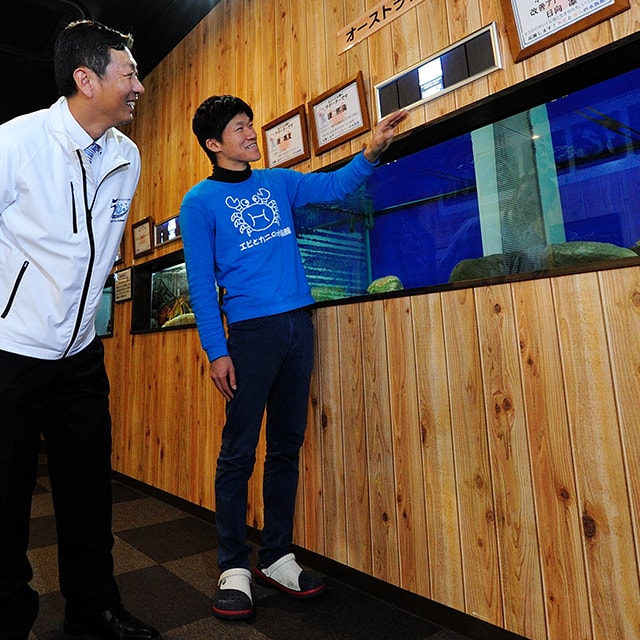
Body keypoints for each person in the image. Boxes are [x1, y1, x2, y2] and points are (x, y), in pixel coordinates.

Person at [180, 94, 407, 620]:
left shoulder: (278, 182)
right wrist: (217, 351)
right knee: (238, 451)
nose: (250, 133)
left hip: (297, 326)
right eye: (240, 128)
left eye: (250, 124)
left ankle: (276, 554)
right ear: (214, 145)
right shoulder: (199, 202)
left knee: (286, 444)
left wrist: (372, 150)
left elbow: (333, 185)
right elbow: (198, 282)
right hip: (250, 335)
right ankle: (233, 564)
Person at [0, 20, 160, 640]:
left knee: (88, 491)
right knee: (7, 497)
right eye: (129, 74)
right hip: (11, 349)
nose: (138, 86)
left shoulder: (127, 156)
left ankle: (93, 609)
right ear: (85, 79)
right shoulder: (17, 143)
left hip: (80, 355)